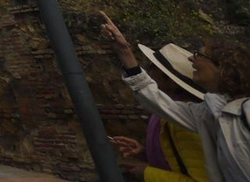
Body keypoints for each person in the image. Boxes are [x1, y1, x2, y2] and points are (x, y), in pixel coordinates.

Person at [101, 12, 250, 182]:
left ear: (222, 68)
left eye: (199, 55)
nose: (191, 58)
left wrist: (147, 173)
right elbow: (158, 102)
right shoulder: (208, 113)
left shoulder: (245, 110)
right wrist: (124, 51)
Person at [105, 42, 208, 181]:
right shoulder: (165, 113)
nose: (150, 72)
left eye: (154, 67)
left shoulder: (183, 120)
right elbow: (177, 162)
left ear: (170, 81)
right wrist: (144, 153)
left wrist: (146, 173)